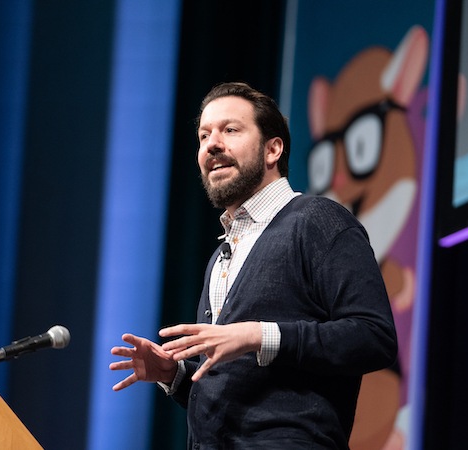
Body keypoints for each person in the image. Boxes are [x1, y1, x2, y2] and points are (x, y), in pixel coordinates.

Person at [109, 81, 397, 449]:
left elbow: (374, 336)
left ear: (272, 149)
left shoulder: (316, 220)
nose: (212, 144)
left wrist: (258, 335)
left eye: (230, 130)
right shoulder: (221, 256)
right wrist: (176, 376)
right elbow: (238, 392)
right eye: (203, 135)